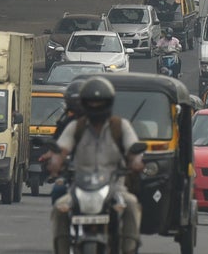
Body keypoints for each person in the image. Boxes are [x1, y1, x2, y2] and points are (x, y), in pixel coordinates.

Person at [47, 76, 144, 254]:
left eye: (100, 102)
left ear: (109, 103)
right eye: (91, 102)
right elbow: (61, 149)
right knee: (60, 208)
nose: (95, 106)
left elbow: (133, 148)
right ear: (84, 103)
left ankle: (129, 249)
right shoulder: (75, 127)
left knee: (131, 205)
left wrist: (136, 161)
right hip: (79, 188)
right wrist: (55, 161)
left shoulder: (121, 127)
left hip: (115, 188)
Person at [50, 80, 86, 204]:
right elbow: (60, 145)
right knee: (58, 191)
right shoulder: (70, 124)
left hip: (104, 177)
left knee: (129, 203)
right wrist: (55, 160)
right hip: (76, 173)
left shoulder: (114, 125)